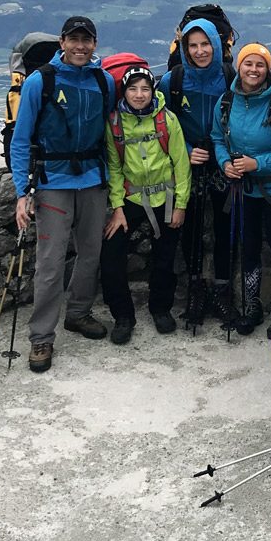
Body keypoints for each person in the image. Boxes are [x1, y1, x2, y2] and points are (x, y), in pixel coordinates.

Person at [9, 15, 115, 373]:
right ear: (62, 42)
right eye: (74, 40)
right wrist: (22, 191)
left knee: (91, 253)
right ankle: (41, 337)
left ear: (95, 44)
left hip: (93, 180)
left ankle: (79, 313)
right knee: (51, 263)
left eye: (87, 40)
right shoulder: (42, 81)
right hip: (53, 182)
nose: (81, 46)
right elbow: (22, 139)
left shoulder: (104, 81)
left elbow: (112, 133)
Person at [211, 43, 271, 339]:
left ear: (268, 69)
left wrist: (255, 164)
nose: (253, 70)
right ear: (239, 66)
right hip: (242, 190)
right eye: (248, 64)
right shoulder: (226, 102)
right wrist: (225, 163)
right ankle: (252, 307)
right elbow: (217, 138)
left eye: (260, 65)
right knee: (248, 249)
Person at [99, 65, 192, 344]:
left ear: (153, 91)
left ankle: (160, 309)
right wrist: (117, 208)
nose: (139, 95)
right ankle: (123, 316)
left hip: (166, 197)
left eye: (145, 88)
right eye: (132, 88)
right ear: (124, 91)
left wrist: (180, 205)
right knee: (111, 254)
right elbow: (114, 168)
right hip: (131, 198)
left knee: (165, 257)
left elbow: (181, 164)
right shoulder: (115, 124)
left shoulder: (167, 120)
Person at [158, 17, 237, 324]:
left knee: (224, 228)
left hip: (222, 165)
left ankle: (221, 289)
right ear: (184, 49)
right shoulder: (172, 82)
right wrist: (188, 151)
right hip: (187, 166)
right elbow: (162, 126)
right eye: (193, 46)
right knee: (189, 230)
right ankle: (196, 289)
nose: (200, 51)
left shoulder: (229, 77)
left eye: (206, 44)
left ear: (216, 45)